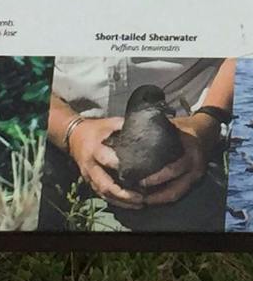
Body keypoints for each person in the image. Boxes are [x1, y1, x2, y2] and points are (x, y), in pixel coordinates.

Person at [40, 56, 235, 232]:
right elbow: (12, 68)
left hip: (189, 138)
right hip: (49, 126)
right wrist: (72, 130)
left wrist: (209, 119)